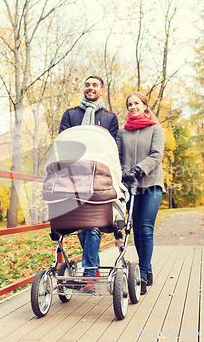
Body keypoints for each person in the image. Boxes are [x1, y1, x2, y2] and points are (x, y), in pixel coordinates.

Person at [58, 75, 119, 293]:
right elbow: (62, 142)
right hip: (74, 177)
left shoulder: (110, 118)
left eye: (95, 85)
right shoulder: (70, 114)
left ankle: (90, 274)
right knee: (83, 225)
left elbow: (113, 148)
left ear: (102, 90)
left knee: (91, 225)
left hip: (98, 177)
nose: (90, 88)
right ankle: (89, 272)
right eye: (87, 85)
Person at [116, 91, 164, 295]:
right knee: (134, 230)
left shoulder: (155, 128)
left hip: (151, 184)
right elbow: (117, 157)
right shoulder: (121, 132)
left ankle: (142, 275)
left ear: (145, 105)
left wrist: (139, 168)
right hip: (130, 187)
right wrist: (123, 174)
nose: (133, 106)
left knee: (145, 229)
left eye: (136, 103)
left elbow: (156, 155)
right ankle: (148, 268)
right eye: (129, 104)